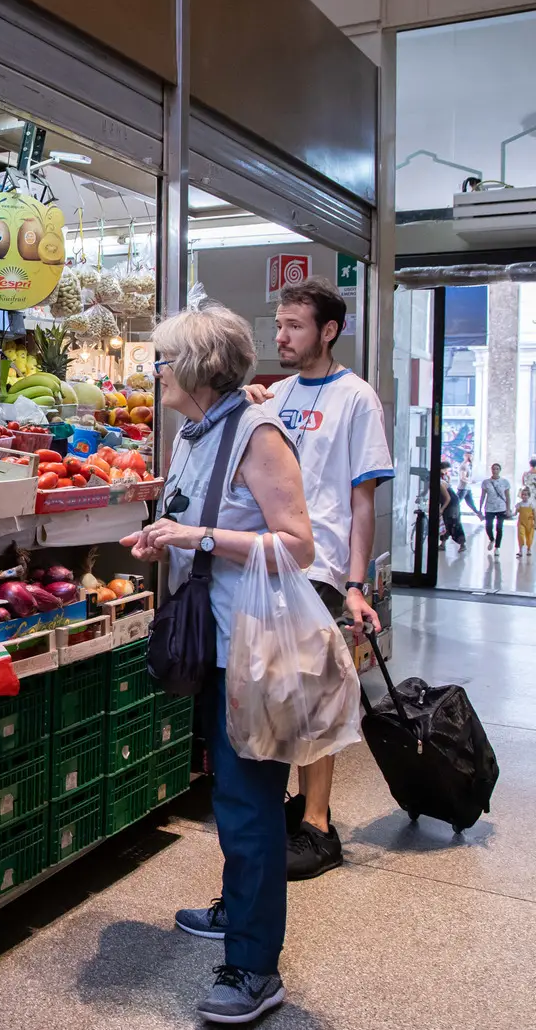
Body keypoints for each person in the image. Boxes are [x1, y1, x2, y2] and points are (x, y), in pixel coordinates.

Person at [122, 302, 314, 1025]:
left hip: (252, 648)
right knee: (229, 794)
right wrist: (165, 539)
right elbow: (197, 524)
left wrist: (198, 537)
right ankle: (238, 910)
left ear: (199, 368)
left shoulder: (258, 435)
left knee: (247, 804)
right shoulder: (196, 434)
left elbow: (299, 545)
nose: (158, 370)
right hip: (214, 643)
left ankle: (256, 968)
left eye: (166, 359)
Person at [244, 276, 392, 882]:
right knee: (280, 692)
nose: (280, 336)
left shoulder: (356, 398)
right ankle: (294, 810)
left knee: (314, 698)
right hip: (275, 560)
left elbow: (362, 501)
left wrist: (356, 583)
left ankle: (319, 826)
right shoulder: (274, 397)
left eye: (294, 326)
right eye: (278, 324)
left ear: (329, 331)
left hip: (323, 566)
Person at [479, 463, 511, 552]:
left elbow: (507, 496)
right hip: (489, 507)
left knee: (499, 527)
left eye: (497, 469)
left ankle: (497, 547)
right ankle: (492, 539)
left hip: (501, 507)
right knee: (488, 526)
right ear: (491, 470)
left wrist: (508, 509)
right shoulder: (486, 482)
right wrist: (480, 509)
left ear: (499, 470)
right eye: (493, 469)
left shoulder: (505, 482)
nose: (495, 471)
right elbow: (482, 496)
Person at [440, 461, 466, 552]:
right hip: (448, 502)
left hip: (451, 503)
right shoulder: (442, 478)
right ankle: (442, 543)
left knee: (453, 522)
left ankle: (462, 544)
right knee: (445, 523)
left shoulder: (440, 482)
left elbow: (448, 498)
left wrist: (442, 509)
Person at [517, 487, 536, 558]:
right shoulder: (519, 504)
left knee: (529, 537)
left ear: (529, 496)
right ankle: (520, 550)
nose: (524, 496)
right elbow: (515, 513)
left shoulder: (531, 504)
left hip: (530, 523)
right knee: (520, 535)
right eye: (523, 494)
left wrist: (535, 523)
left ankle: (529, 549)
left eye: (526, 495)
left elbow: (534, 514)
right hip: (521, 522)